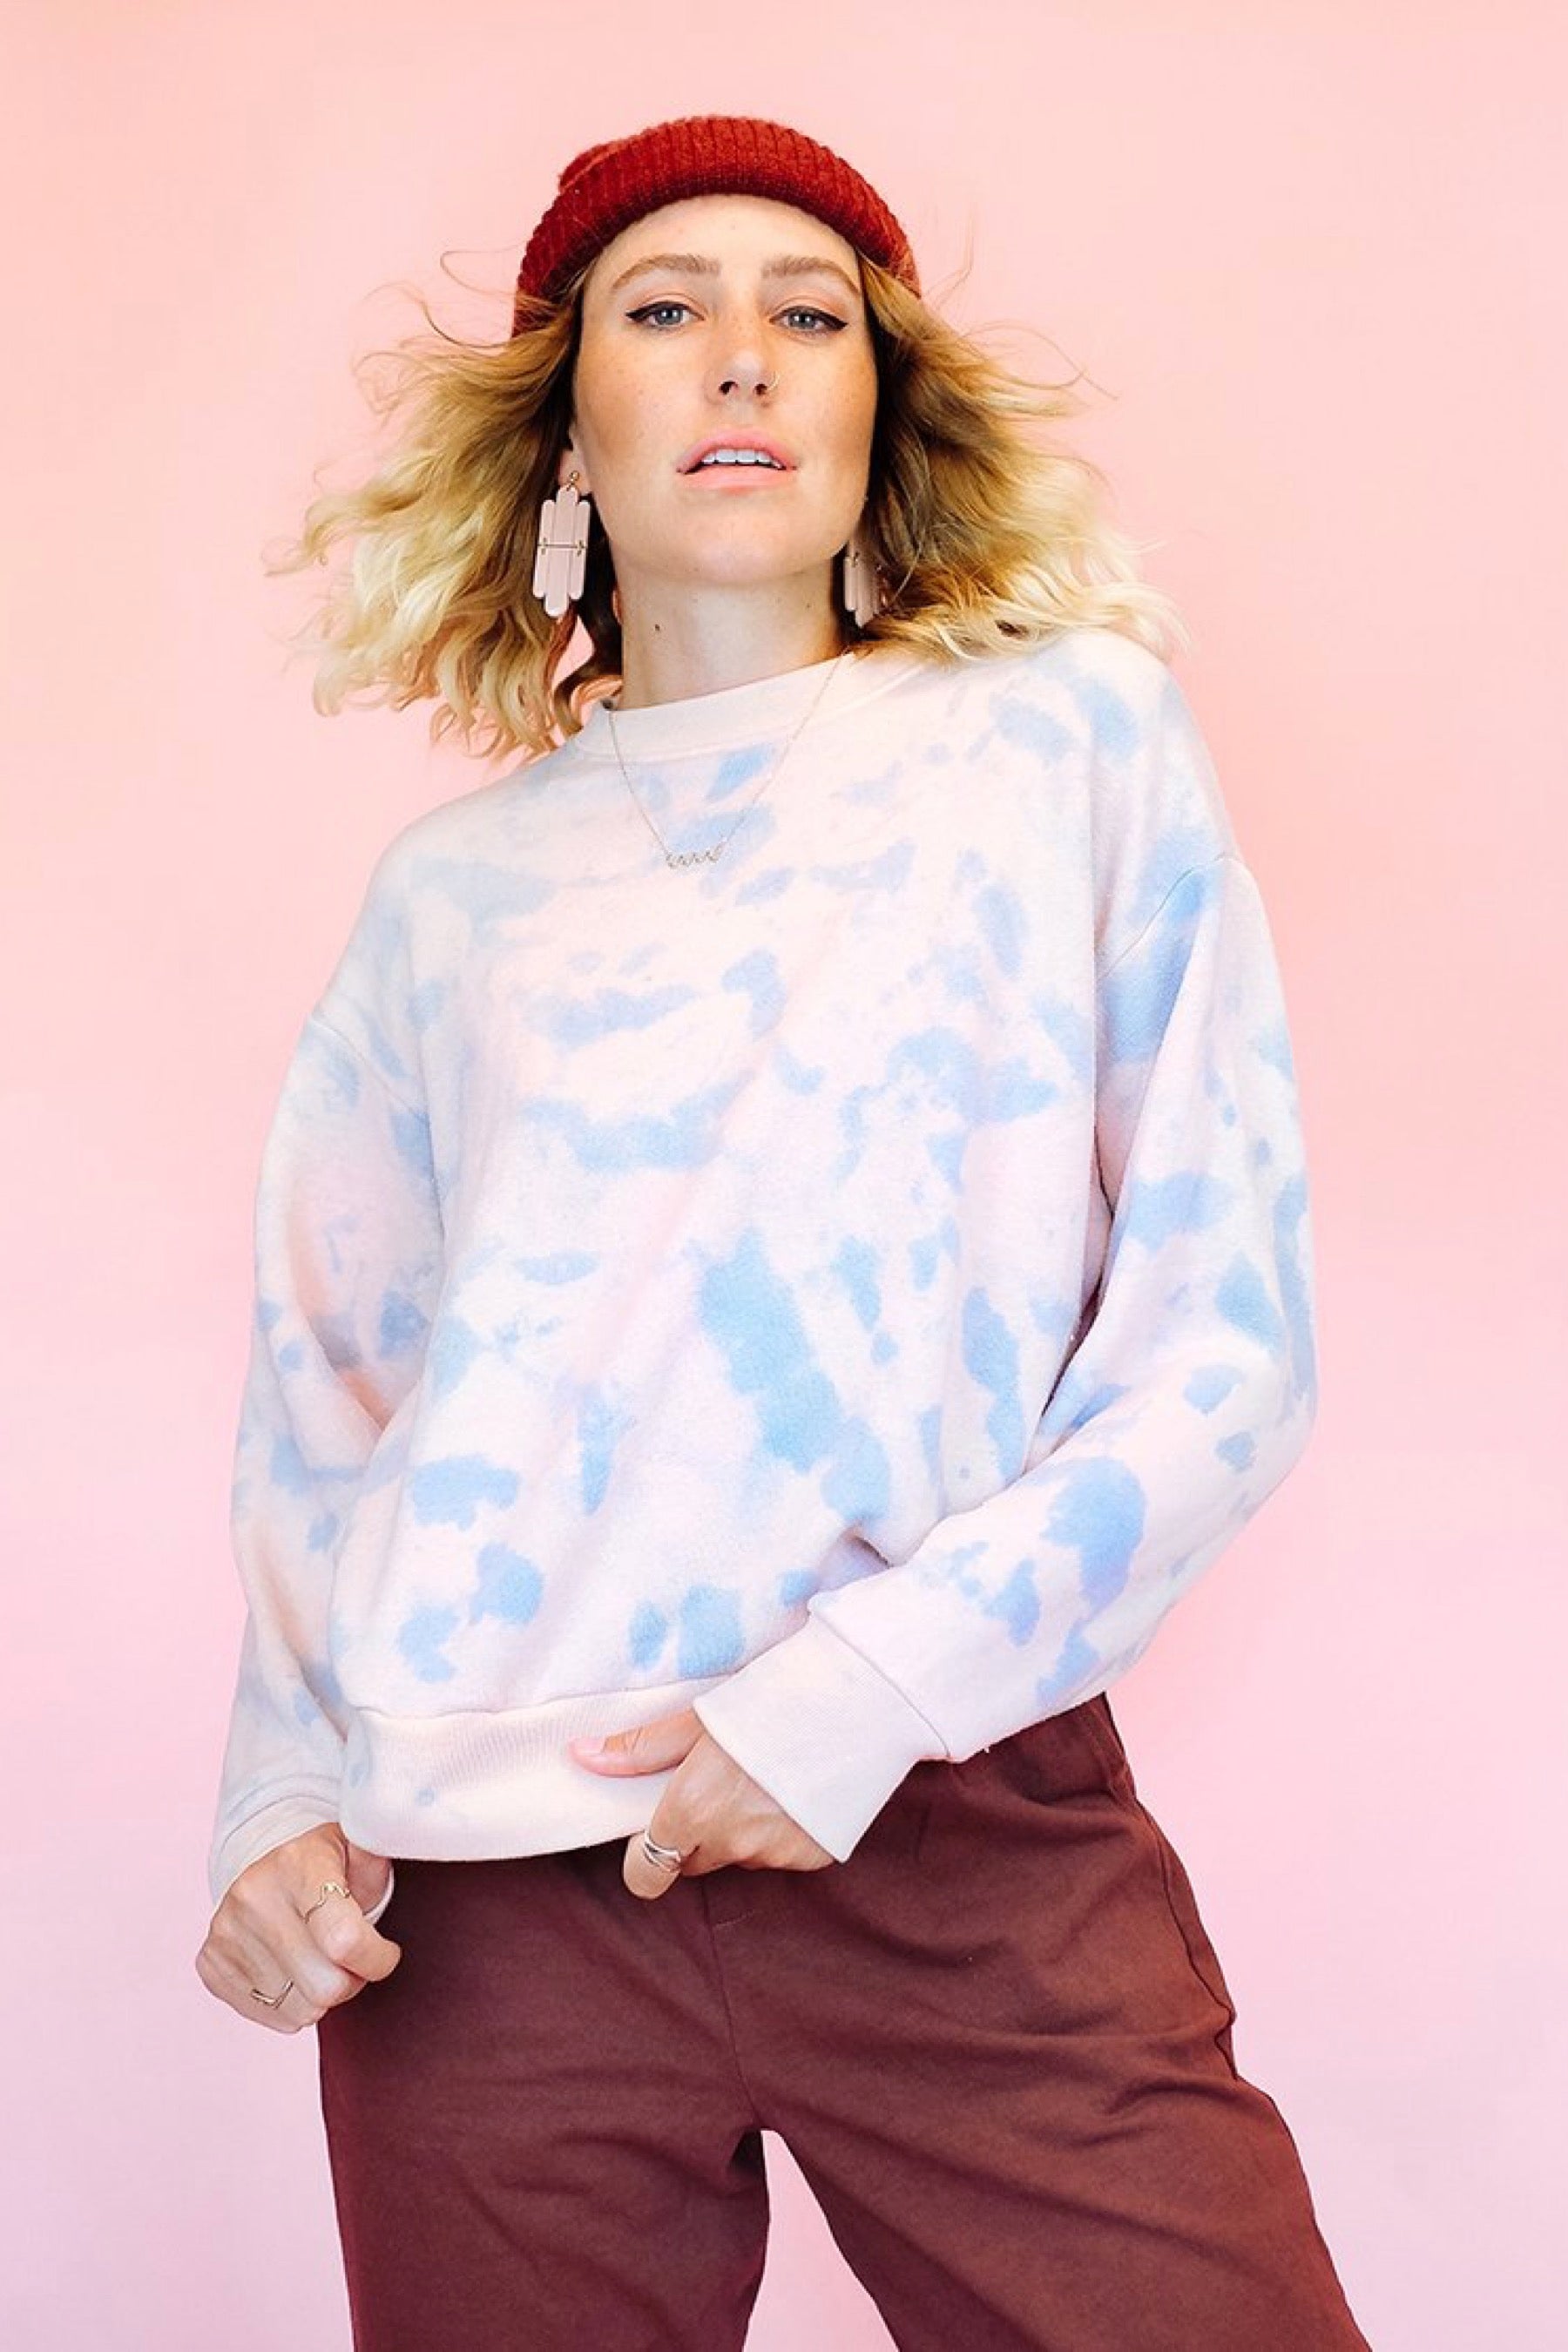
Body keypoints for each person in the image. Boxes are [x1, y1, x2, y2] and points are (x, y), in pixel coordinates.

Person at [193, 112, 1371, 2352]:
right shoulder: (451, 902)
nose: (742, 354)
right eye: (667, 309)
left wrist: (862, 1695)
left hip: (948, 1816)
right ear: (568, 435)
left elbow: (1224, 1340)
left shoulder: (1067, 747)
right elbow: (332, 1403)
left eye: (808, 315)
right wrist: (279, 1792)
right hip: (480, 1901)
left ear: (876, 411)